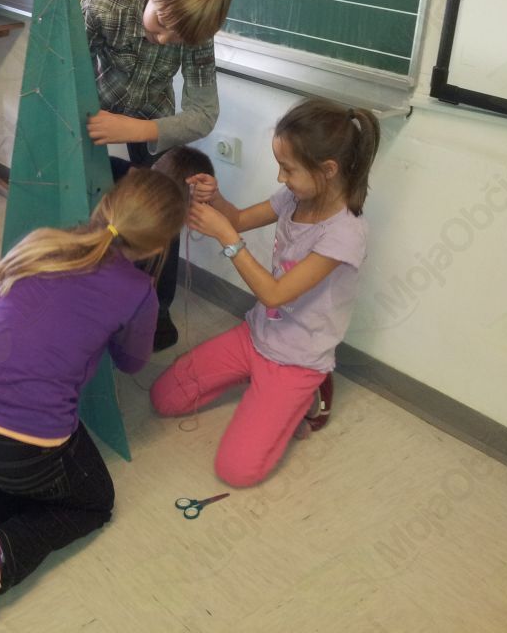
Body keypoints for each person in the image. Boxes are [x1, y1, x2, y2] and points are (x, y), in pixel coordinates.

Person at [0, 168, 186, 633]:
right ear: (158, 245)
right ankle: (1, 551)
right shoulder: (138, 292)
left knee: (11, 471)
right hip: (30, 445)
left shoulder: (40, 242)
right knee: (94, 502)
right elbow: (132, 362)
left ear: (106, 203)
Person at [150, 99, 380, 487]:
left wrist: (227, 238)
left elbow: (275, 295)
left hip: (297, 359)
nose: (280, 177)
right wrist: (215, 197)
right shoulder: (295, 197)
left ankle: (305, 396)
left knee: (236, 471)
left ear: (328, 170)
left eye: (288, 169)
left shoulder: (344, 235)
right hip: (256, 335)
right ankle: (264, 390)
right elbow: (238, 218)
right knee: (164, 397)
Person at [81, 0, 235, 350]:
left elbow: (203, 114)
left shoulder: (196, 30)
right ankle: (84, 290)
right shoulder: (106, 0)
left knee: (166, 201)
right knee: (85, 192)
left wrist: (134, 129)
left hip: (151, 115)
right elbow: (69, 72)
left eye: (177, 38)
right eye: (162, 23)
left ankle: (155, 311)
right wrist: (95, 123)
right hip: (95, 107)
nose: (164, 39)